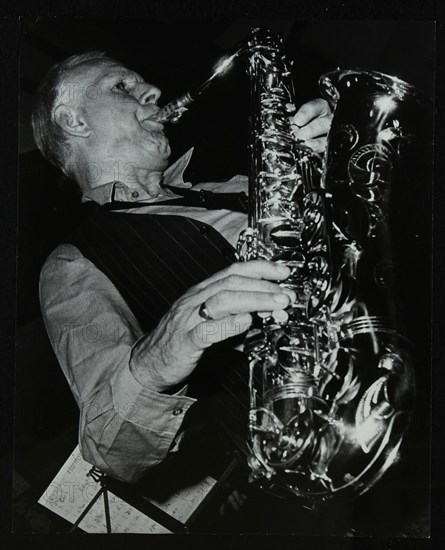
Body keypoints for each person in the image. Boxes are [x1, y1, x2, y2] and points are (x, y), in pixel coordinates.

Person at [32, 51, 332, 485]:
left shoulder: (228, 188)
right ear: (73, 121)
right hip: (320, 442)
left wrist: (332, 157)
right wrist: (160, 356)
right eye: (122, 86)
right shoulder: (73, 263)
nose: (153, 90)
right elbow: (110, 451)